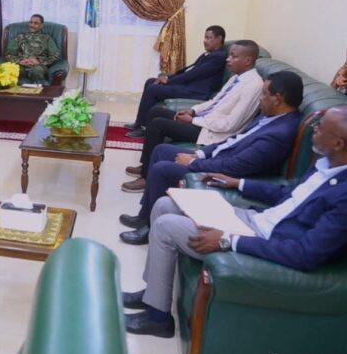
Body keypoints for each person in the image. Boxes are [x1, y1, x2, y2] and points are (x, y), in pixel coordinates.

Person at [121, 104, 347, 338]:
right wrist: (238, 183)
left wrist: (229, 240)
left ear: (338, 143)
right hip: (256, 220)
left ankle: (158, 319)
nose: (315, 129)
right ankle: (152, 295)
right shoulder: (325, 165)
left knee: (165, 226)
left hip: (262, 240)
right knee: (165, 205)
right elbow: (288, 193)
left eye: (321, 127)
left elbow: (305, 254)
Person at [119, 71, 303, 245]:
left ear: (277, 98)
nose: (260, 98)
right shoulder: (271, 116)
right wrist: (199, 153)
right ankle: (145, 216)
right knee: (161, 150)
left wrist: (194, 163)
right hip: (220, 157)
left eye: (264, 94)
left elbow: (236, 166)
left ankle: (149, 230)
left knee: (162, 169)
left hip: (225, 173)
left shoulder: (279, 133)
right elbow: (233, 140)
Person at [122, 40, 264, 193]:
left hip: (213, 133)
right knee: (155, 112)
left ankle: (146, 177)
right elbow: (214, 102)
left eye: (233, 56)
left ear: (247, 60)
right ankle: (146, 164)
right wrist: (193, 111)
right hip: (204, 121)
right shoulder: (236, 77)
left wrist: (194, 120)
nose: (228, 59)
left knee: (158, 124)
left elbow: (230, 124)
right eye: (229, 55)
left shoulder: (253, 85)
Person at [125, 26, 227, 138]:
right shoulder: (208, 54)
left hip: (195, 91)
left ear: (219, 39)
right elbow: (188, 70)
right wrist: (167, 77)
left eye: (209, 38)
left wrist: (168, 81)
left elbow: (193, 74)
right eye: (205, 37)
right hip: (188, 86)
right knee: (150, 82)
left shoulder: (219, 57)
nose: (205, 41)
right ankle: (139, 122)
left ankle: (144, 128)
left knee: (153, 88)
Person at [4, 14, 60, 85]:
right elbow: (8, 54)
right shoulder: (20, 37)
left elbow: (55, 56)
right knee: (12, 71)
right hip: (21, 64)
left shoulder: (47, 39)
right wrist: (20, 61)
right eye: (31, 22)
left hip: (39, 66)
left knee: (36, 71)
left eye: (35, 23)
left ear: (41, 25)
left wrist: (38, 61)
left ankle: (37, 90)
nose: (32, 25)